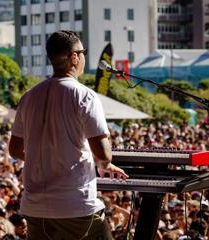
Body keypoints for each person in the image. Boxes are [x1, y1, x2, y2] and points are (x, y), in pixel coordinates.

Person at [9, 30, 128, 239]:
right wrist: (103, 162)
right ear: (74, 57)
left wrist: (48, 157)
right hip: (75, 205)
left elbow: (15, 149)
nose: (83, 57)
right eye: (83, 52)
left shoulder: (28, 97)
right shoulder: (85, 95)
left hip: (35, 207)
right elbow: (103, 155)